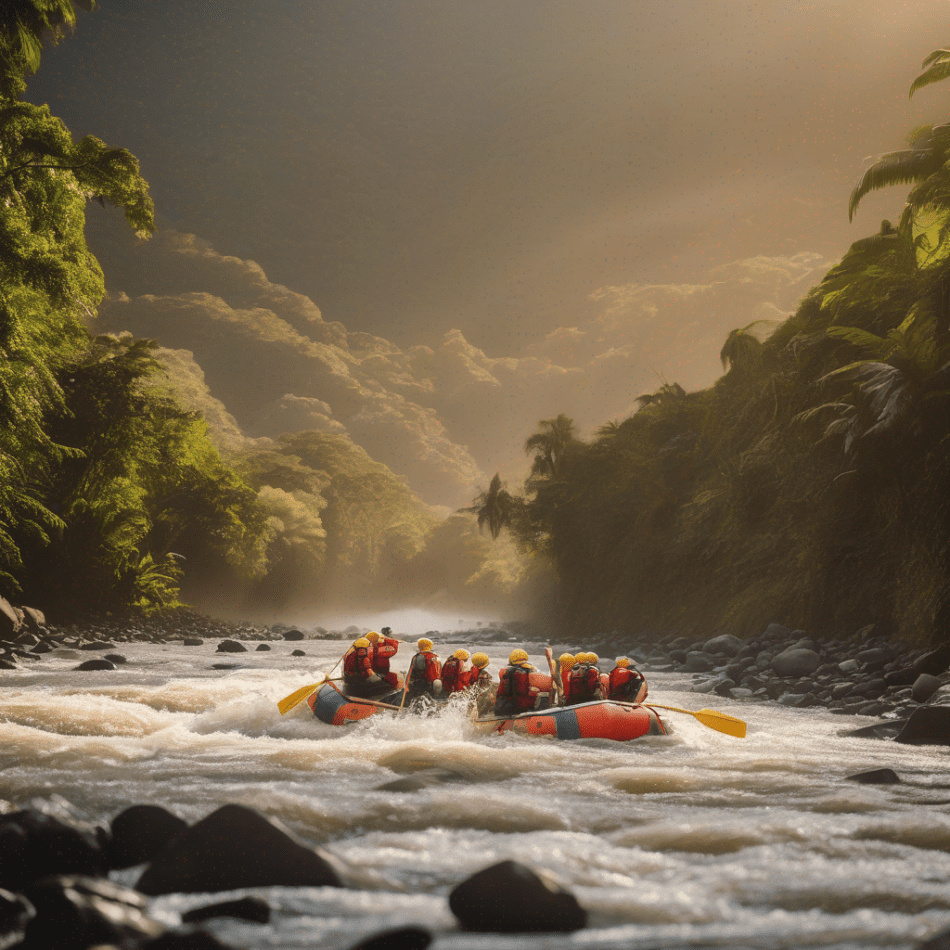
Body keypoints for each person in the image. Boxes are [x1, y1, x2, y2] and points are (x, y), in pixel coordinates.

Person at [494, 648, 553, 716]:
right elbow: (521, 694)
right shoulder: (521, 673)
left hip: (501, 706)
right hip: (516, 709)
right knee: (542, 696)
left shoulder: (504, 672)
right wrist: (534, 692)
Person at [405, 637, 442, 702]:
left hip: (416, 685)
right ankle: (437, 699)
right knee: (438, 682)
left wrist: (407, 685)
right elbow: (435, 675)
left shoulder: (415, 657)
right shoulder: (433, 657)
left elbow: (410, 672)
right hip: (428, 686)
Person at [467, 652, 496, 718]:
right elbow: (487, 692)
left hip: (472, 698)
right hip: (481, 700)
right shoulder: (485, 675)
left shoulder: (471, 671)